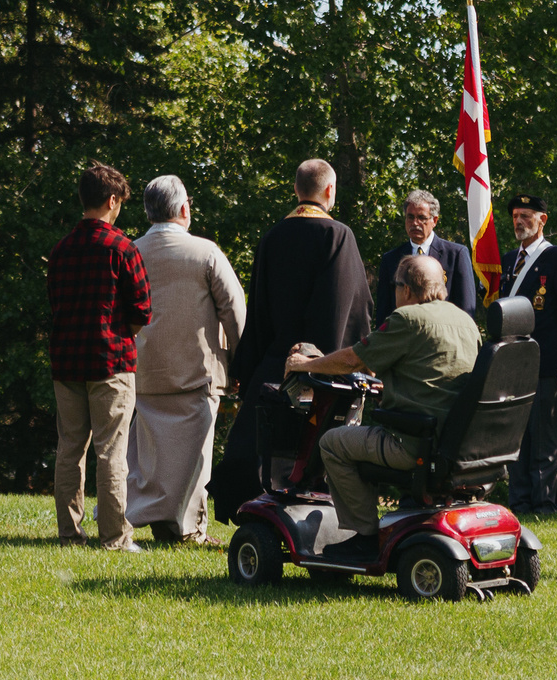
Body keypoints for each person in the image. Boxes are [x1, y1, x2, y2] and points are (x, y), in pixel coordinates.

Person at [295, 255, 482, 559]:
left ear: (406, 289)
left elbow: (352, 360)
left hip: (414, 444)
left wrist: (305, 364)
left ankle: (364, 535)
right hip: (458, 445)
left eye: (396, 285)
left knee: (332, 443)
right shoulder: (465, 321)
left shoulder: (407, 318)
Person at [216, 160, 372, 516]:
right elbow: (347, 306)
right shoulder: (338, 236)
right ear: (330, 190)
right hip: (323, 369)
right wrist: (341, 361)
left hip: (274, 366)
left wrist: (248, 367)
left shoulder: (273, 237)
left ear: (296, 189)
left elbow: (258, 311)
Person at [127, 174, 244, 544]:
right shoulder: (205, 252)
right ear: (182, 208)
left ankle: (154, 517)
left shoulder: (131, 252)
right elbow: (234, 310)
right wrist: (239, 360)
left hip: (144, 370)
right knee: (195, 457)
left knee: (150, 457)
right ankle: (190, 528)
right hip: (197, 370)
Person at [48, 163, 152, 550]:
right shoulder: (122, 248)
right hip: (111, 361)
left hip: (67, 361)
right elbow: (142, 310)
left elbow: (55, 304)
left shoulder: (61, 250)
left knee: (69, 449)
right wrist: (121, 332)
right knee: (111, 452)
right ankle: (114, 536)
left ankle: (69, 533)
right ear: (111, 201)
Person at [499, 193, 557, 515]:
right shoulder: (508, 259)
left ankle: (544, 503)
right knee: (515, 435)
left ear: (542, 220)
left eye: (526, 216)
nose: (519, 222)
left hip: (544, 362)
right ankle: (519, 501)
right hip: (511, 362)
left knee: (544, 437)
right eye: (515, 216)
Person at [371, 189, 478, 321]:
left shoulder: (455, 255)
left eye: (421, 218)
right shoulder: (391, 259)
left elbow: (466, 309)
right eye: (410, 217)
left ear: (434, 220)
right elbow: (383, 313)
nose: (415, 223)